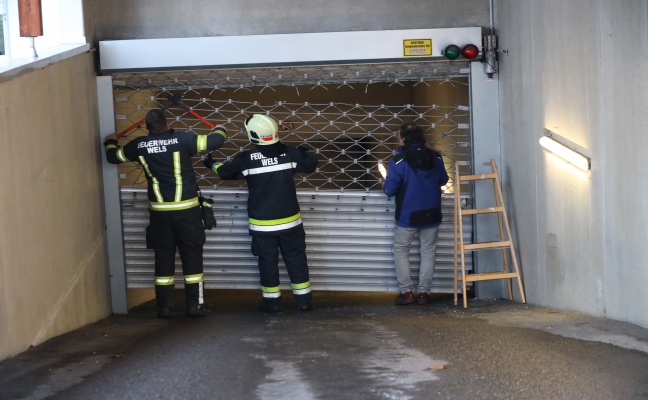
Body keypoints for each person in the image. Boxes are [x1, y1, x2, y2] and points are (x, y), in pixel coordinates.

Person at [103, 109, 227, 318]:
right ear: (168, 123)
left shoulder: (139, 145)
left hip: (159, 213)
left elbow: (114, 157)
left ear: (146, 126)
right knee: (192, 258)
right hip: (187, 211)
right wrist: (220, 129)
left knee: (163, 258)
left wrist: (110, 141)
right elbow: (214, 142)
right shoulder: (182, 140)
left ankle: (164, 307)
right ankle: (194, 306)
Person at [202, 114, 318, 313]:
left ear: (252, 135)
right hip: (291, 224)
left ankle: (272, 303)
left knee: (267, 262)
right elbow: (311, 164)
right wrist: (304, 152)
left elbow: (225, 173)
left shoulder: (246, 160)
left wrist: (211, 164)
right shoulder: (290, 154)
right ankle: (304, 301)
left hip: (262, 225)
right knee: (296, 259)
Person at [383, 122, 449, 306]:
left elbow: (390, 189)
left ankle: (406, 294)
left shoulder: (398, 161)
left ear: (402, 138)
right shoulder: (435, 158)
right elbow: (443, 180)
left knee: (401, 250)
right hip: (432, 212)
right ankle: (424, 294)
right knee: (428, 251)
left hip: (407, 215)